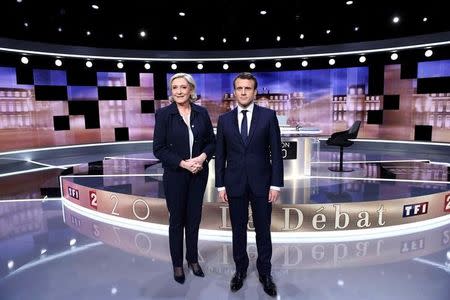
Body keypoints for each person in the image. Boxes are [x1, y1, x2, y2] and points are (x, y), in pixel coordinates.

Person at [215, 72, 283, 297]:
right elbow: (221, 154)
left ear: (255, 92)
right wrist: (220, 186)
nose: (243, 92)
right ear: (235, 91)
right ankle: (240, 270)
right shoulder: (224, 120)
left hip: (263, 184)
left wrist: (276, 185)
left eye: (247, 88)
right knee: (238, 231)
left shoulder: (268, 116)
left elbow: (276, 153)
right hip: (234, 184)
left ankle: (265, 273)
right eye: (239, 88)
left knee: (263, 231)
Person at [153, 73, 215, 284]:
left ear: (191, 90)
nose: (179, 91)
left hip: (198, 174)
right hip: (176, 175)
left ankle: (192, 259)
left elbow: (211, 142)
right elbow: (158, 149)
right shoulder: (164, 115)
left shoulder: (201, 113)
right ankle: (178, 264)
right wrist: (182, 163)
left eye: (183, 87)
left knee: (194, 219)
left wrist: (201, 157)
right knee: (177, 220)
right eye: (175, 87)